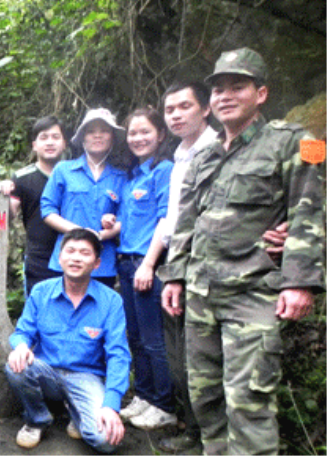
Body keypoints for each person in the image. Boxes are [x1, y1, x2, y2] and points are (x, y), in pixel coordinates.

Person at [159, 48, 325, 454]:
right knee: (206, 399)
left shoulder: (301, 141)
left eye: (238, 86)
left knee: (249, 402)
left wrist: (299, 282)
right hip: (201, 295)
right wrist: (176, 276)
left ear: (262, 93)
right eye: (218, 89)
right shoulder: (203, 155)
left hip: (252, 294)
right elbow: (186, 222)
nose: (225, 96)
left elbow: (311, 208)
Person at [5, 228, 130, 452]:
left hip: (86, 377)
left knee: (106, 441)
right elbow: (23, 331)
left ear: (97, 263)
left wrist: (111, 405)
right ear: (59, 257)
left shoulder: (111, 301)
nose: (76, 258)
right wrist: (21, 346)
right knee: (15, 366)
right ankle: (38, 419)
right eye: (70, 251)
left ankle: (78, 411)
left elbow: (118, 355)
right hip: (46, 372)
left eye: (84, 253)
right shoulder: (41, 292)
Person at [155, 80, 217, 451]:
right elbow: (173, 218)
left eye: (184, 106)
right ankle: (193, 431)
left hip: (220, 270)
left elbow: (313, 152)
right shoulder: (179, 156)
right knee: (181, 357)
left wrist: (297, 213)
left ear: (204, 108)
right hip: (178, 265)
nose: (176, 114)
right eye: (170, 109)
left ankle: (211, 438)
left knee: (208, 361)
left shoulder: (226, 145)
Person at [112, 107, 176, 430]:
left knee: (153, 338)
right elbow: (131, 221)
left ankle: (164, 405)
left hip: (146, 265)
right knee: (135, 337)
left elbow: (165, 220)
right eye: (133, 133)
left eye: (145, 132)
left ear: (161, 135)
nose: (138, 138)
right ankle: (145, 396)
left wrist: (149, 264)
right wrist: (112, 223)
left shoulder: (164, 170)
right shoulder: (131, 176)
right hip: (125, 264)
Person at [41, 108, 127, 288]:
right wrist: (80, 234)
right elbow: (48, 210)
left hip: (103, 263)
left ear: (112, 137)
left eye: (104, 131)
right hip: (66, 260)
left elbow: (125, 218)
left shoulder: (121, 177)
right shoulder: (63, 170)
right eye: (91, 131)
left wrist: (102, 233)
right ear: (82, 138)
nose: (98, 136)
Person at [0, 115, 66, 296]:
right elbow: (9, 214)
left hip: (74, 254)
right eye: (44, 137)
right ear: (34, 145)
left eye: (55, 137)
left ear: (64, 143)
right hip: (38, 258)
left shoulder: (74, 175)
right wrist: (2, 194)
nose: (50, 142)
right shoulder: (22, 178)